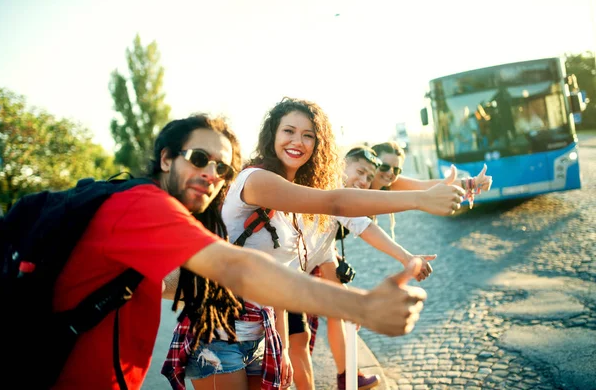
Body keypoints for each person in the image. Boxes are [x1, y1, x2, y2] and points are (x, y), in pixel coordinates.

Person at [46, 114, 431, 390]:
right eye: (199, 159)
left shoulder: (180, 215)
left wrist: (275, 344)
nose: (213, 175)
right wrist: (360, 307)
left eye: (223, 168)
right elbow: (238, 268)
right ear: (166, 158)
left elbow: (179, 280)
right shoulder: (142, 205)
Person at [163, 99, 466, 390]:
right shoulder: (255, 180)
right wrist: (420, 200)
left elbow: (275, 282)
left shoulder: (298, 204)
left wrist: (280, 349)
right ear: (273, 136)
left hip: (261, 333)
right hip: (216, 335)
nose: (298, 141)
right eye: (289, 131)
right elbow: (336, 201)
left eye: (308, 135)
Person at [287, 146, 437, 390]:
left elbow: (328, 257)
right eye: (360, 172)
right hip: (276, 277)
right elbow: (365, 227)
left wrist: (352, 304)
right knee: (284, 349)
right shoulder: (333, 191)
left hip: (293, 279)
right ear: (340, 166)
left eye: (369, 177)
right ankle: (346, 375)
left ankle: (347, 376)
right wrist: (406, 257)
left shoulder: (339, 201)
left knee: (298, 343)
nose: (365, 181)